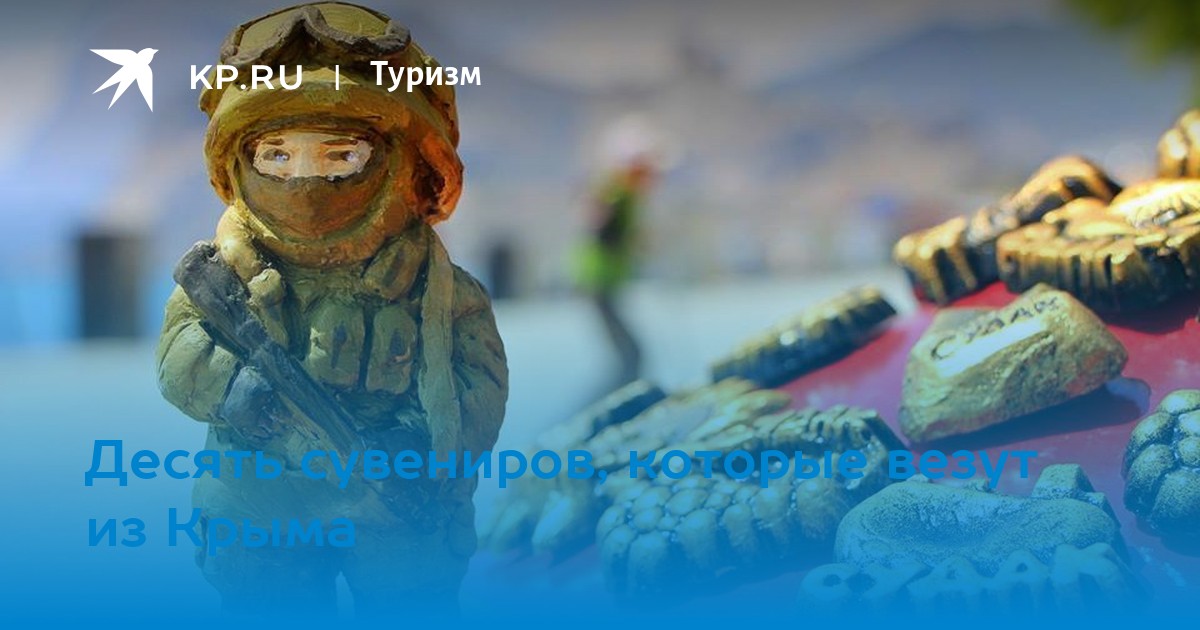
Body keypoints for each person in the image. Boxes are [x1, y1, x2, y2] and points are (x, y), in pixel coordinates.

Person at [155, 3, 507, 618]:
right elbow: (179, 356)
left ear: (405, 164)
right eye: (276, 156)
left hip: (399, 499)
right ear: (239, 163)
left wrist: (418, 449)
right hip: (261, 495)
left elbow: (481, 383)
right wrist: (236, 391)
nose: (305, 182)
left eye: (341, 156)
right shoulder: (225, 276)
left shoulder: (441, 292)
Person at [574, 156, 657, 387]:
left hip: (604, 280)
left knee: (629, 353)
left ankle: (619, 392)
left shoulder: (625, 198)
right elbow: (598, 220)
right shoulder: (617, 195)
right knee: (631, 354)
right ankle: (615, 398)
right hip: (599, 279)